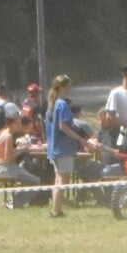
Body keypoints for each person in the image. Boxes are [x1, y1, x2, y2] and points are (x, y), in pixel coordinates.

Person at [44, 74, 96, 217]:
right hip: (63, 148)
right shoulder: (62, 104)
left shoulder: (52, 104)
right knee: (63, 179)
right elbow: (63, 126)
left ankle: (56, 208)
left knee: (58, 178)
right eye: (69, 86)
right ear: (63, 87)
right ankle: (56, 210)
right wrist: (80, 139)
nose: (70, 88)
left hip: (53, 148)